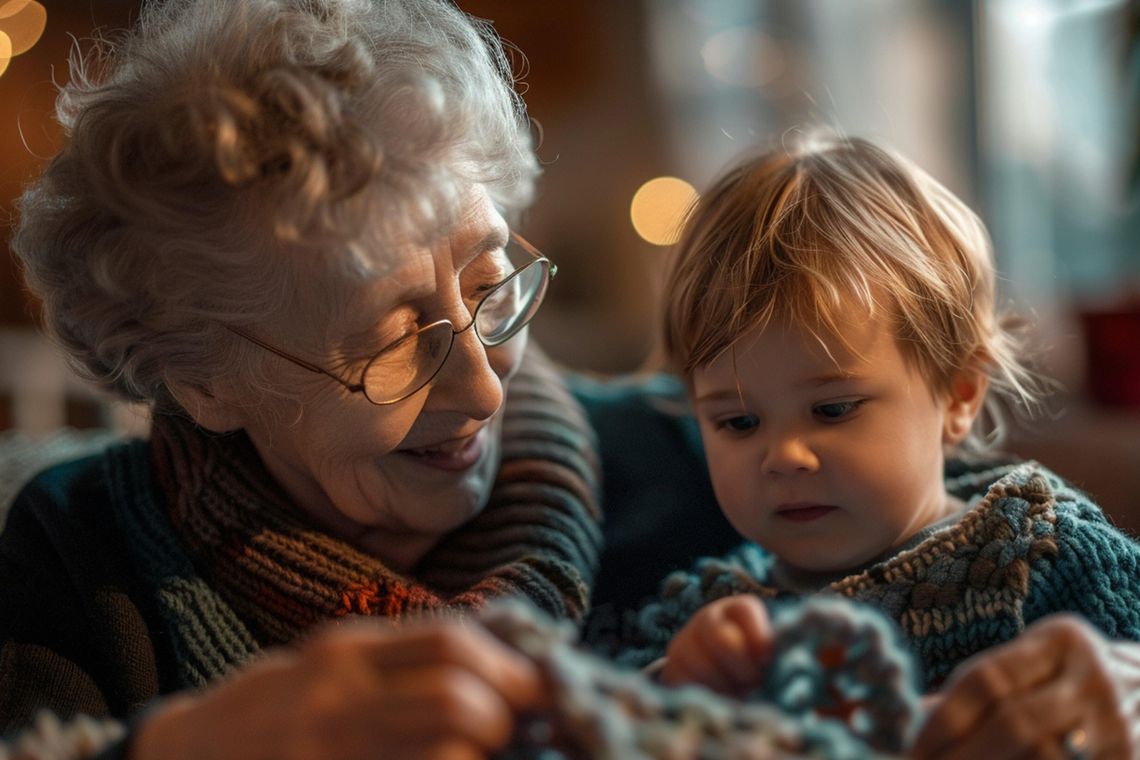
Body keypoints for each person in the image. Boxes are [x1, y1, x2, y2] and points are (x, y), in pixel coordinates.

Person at [1, 0, 603, 758]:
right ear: (206, 380)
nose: (484, 391)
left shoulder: (705, 463)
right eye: (395, 338)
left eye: (488, 284)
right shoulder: (84, 554)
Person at [615, 134, 1140, 759]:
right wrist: (673, 685)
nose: (784, 456)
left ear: (960, 394)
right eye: (738, 423)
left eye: (832, 409)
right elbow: (596, 717)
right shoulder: (707, 616)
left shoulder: (1039, 552)